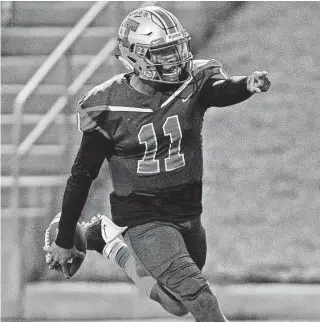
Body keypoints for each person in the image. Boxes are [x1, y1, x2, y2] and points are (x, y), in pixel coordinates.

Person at [43, 5, 270, 322]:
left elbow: (219, 90)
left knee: (178, 304)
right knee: (200, 297)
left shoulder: (193, 81)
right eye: (163, 53)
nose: (174, 59)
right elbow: (82, 176)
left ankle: (107, 241)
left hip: (188, 209)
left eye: (176, 48)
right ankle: (116, 236)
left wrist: (245, 85)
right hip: (143, 214)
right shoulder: (107, 104)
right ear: (135, 57)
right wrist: (65, 239)